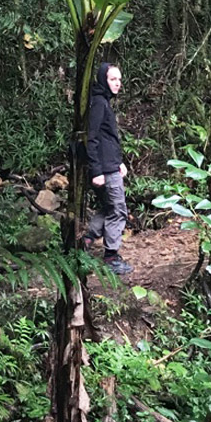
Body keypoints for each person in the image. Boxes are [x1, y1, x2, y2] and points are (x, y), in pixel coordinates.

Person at [82, 62, 133, 275]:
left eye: (119, 80)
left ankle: (87, 239)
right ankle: (111, 256)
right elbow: (91, 138)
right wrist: (97, 172)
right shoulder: (99, 103)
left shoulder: (102, 102)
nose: (117, 83)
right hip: (104, 170)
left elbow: (107, 138)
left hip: (110, 166)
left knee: (109, 207)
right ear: (103, 79)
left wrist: (119, 162)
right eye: (113, 79)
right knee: (118, 210)